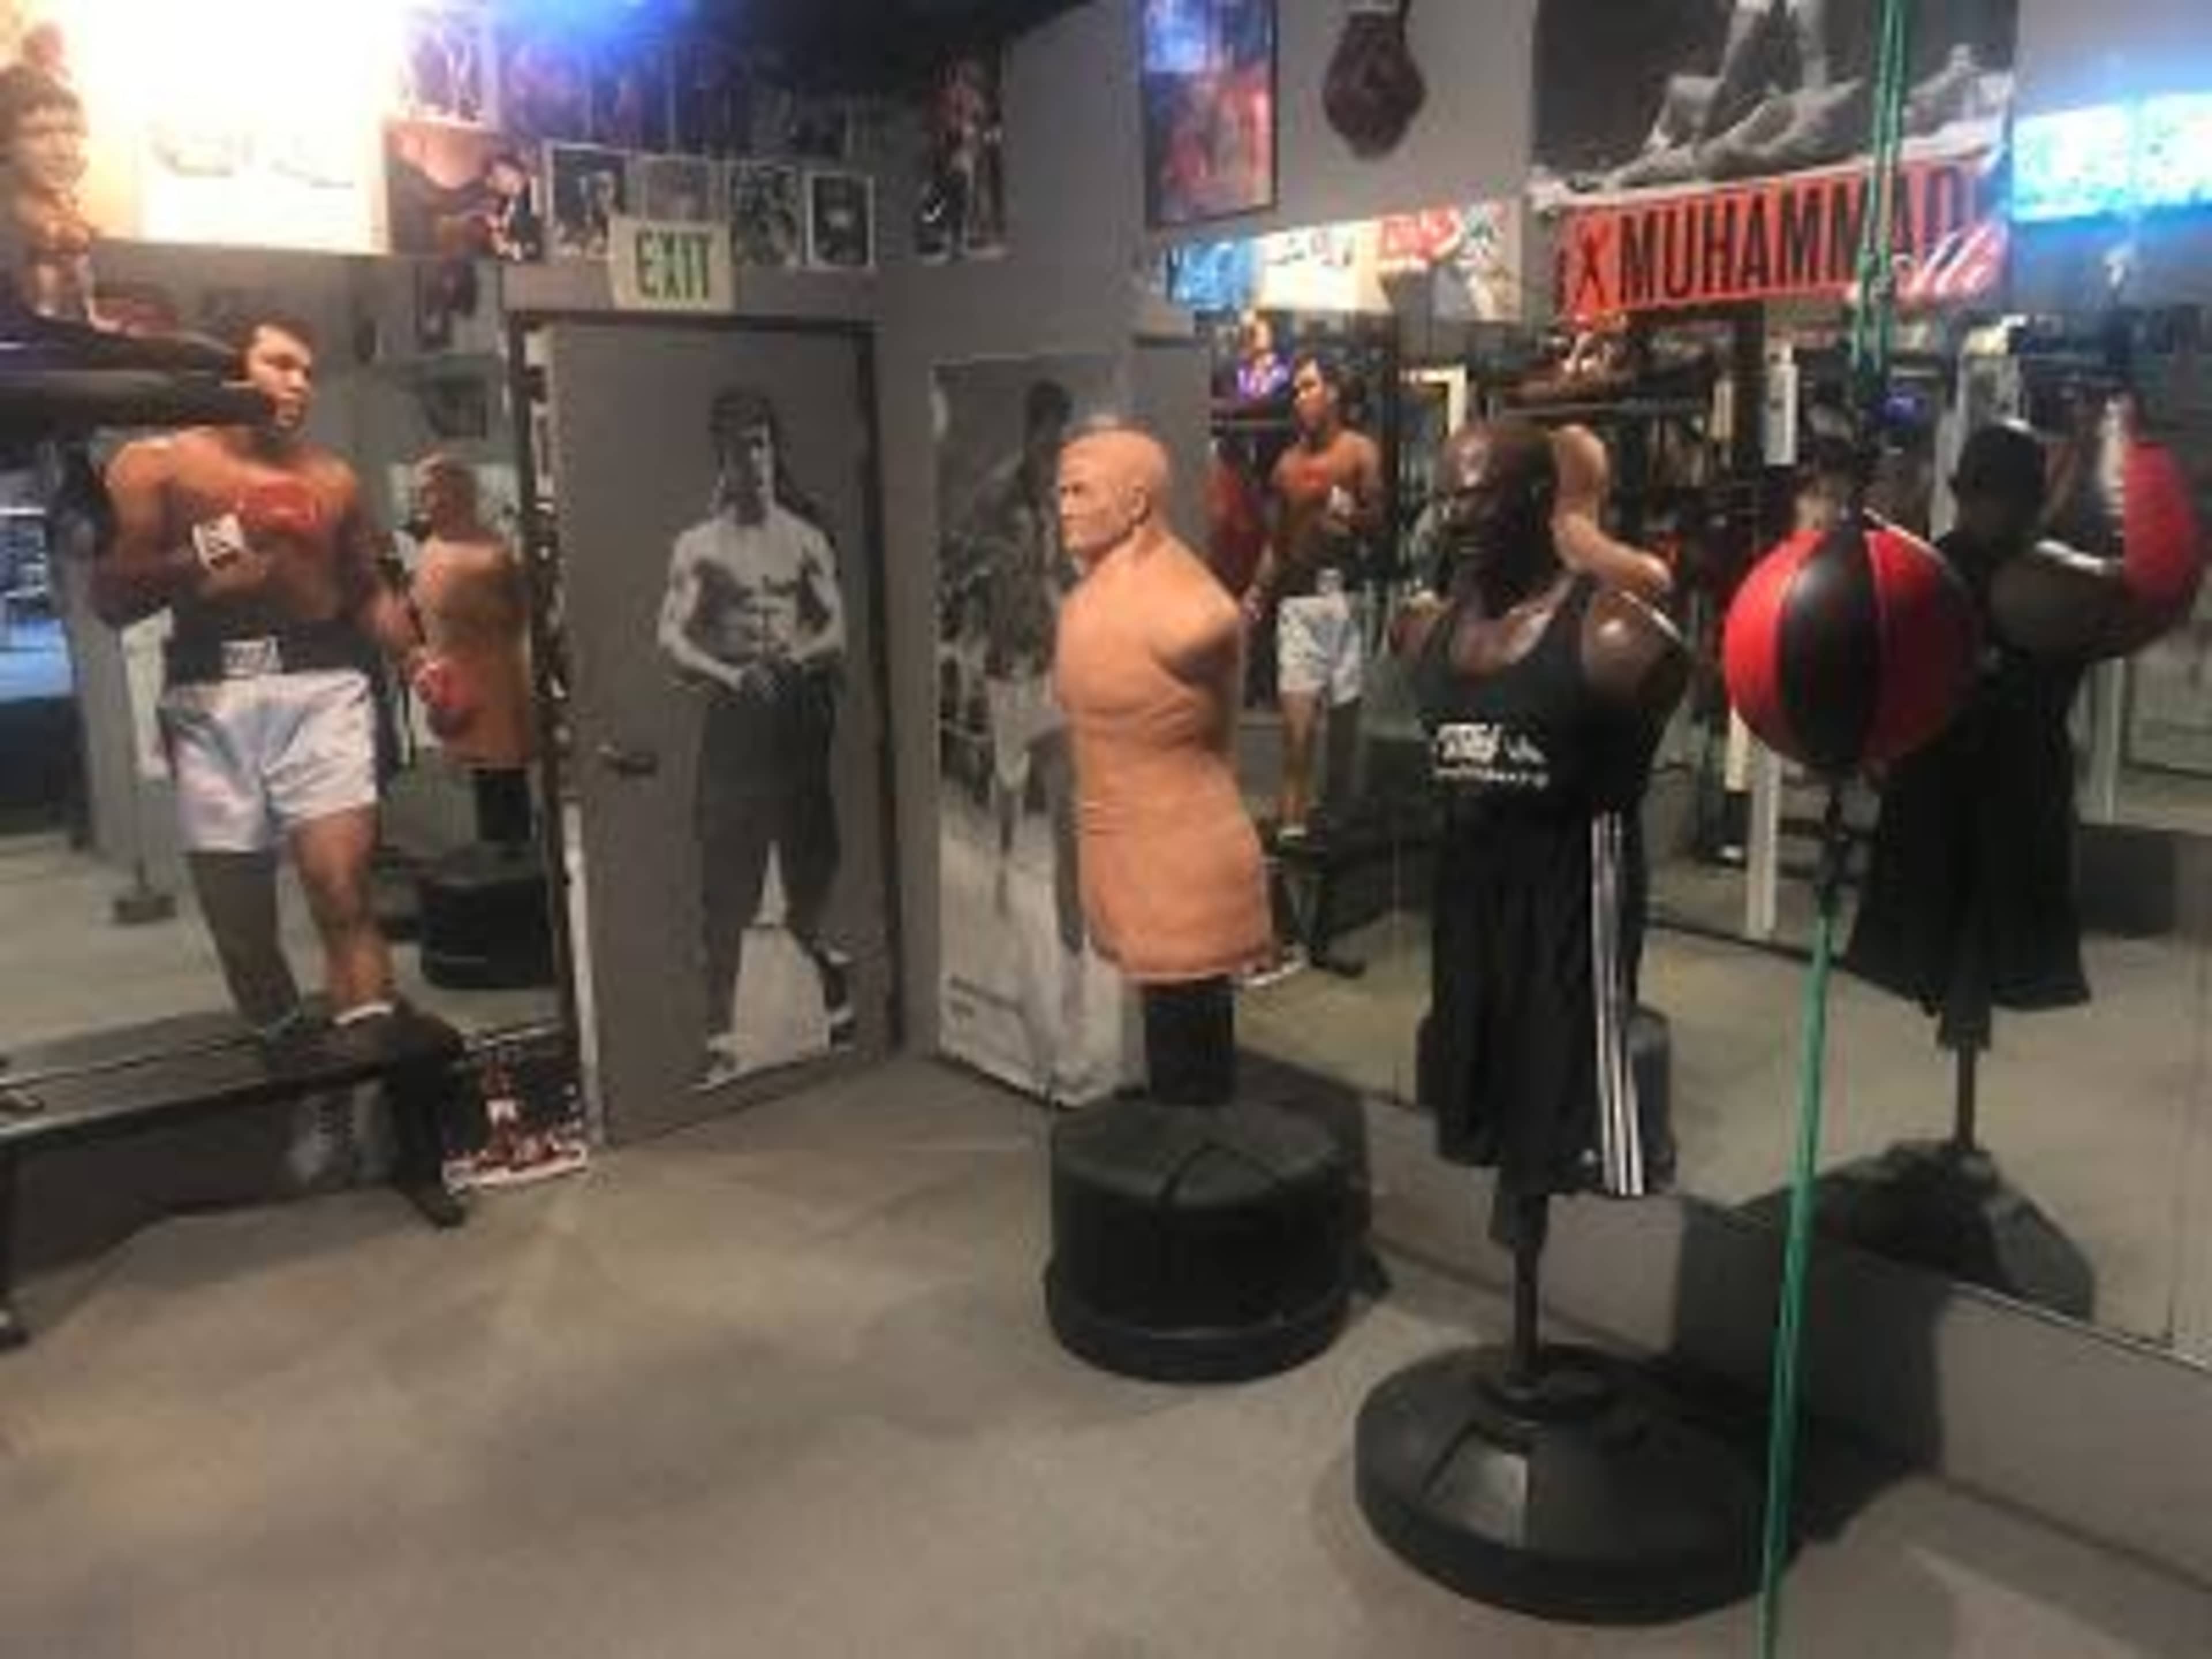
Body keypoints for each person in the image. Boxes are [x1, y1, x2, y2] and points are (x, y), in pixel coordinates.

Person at [97, 313, 421, 1048]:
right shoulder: (156, 466)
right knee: (240, 928)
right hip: (209, 700)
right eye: (281, 363)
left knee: (342, 893)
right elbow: (111, 598)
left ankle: (372, 1093)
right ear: (232, 370)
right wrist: (220, 542)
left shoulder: (332, 478)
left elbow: (367, 589)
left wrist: (420, 662)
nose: (300, 382)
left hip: (322, 689)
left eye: (308, 369)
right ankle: (288, 1068)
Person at [1395, 420, 1687, 1234]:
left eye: (1478, 498)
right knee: (1476, 1074)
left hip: (1571, 896)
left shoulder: (1619, 638)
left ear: (1534, 501)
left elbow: (1672, 677)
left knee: (1564, 1101)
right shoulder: (1423, 632)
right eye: (1446, 497)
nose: (1455, 517)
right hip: (1468, 892)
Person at [1847, 404, 2206, 1051]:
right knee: (1938, 931)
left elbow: (2143, 601)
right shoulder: (1925, 572)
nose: (1995, 511)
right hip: (1942, 784)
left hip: (2013, 787)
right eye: (1987, 495)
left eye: (2005, 496)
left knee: (1990, 936)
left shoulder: (2050, 578)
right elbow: (1882, 667)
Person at [1055, 427, 1272, 1103]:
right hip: (1112, 841)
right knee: (1165, 1023)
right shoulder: (1085, 601)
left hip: (1184, 854)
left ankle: (1198, 1142)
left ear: (1137, 502)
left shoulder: (1191, 613)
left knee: (1192, 1033)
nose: (1063, 505)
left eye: (1079, 490)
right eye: (1059, 490)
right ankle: (1178, 1129)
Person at [658, 386, 852, 1082]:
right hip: (737, 719)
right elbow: (671, 638)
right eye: (742, 443)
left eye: (765, 440)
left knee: (813, 868)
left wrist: (794, 660)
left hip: (798, 717)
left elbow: (837, 628)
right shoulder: (699, 546)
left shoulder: (804, 538)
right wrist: (731, 675)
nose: (756, 455)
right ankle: (718, 1035)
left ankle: (832, 989)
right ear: (723, 452)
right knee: (726, 885)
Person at [944, 378, 1092, 1078]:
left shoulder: (1068, 496)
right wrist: (978, 611)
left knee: (1069, 826)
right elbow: (958, 556)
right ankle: (1002, 858)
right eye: (1049, 436)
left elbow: (1071, 570)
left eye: (1062, 438)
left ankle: (1074, 1013)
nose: (1055, 450)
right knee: (1008, 783)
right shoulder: (997, 493)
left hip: (1058, 675)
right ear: (1033, 431)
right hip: (1009, 671)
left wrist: (1069, 585)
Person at [1241, 353, 1385, 839]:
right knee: (1297, 738)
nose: (1300, 396)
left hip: (1345, 601)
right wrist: (1257, 591)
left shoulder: (1360, 452)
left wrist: (1347, 513)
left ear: (1334, 393)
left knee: (1343, 737)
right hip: (1300, 605)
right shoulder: (1286, 464)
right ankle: (1292, 833)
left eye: (1309, 386)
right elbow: (1276, 542)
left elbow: (1381, 524)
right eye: (1297, 389)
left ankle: (1334, 848)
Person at [407, 455, 535, 840]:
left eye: (430, 491)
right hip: (450, 687)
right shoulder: (429, 549)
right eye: (421, 493)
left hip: (496, 683)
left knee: (503, 785)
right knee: (475, 786)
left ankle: (513, 858)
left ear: (459, 492)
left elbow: (521, 613)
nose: (423, 501)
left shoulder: (493, 553)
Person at [0, 63, 93, 320]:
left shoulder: (64, 213)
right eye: (40, 133)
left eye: (71, 131)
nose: (64, 150)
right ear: (5, 144)